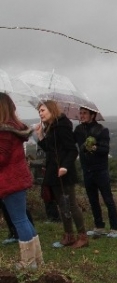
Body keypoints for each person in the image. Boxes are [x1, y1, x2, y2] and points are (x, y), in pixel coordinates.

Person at [35, 100, 88, 248]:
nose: (40, 113)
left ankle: (82, 236)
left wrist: (65, 166)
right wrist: (40, 136)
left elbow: (72, 150)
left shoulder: (62, 126)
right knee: (62, 204)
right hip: (54, 171)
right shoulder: (51, 128)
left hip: (64, 172)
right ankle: (69, 235)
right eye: (39, 111)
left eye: (43, 110)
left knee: (71, 204)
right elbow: (50, 149)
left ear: (52, 110)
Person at [0, 92, 43, 268]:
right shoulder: (14, 128)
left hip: (10, 181)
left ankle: (28, 262)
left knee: (19, 220)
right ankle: (36, 259)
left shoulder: (4, 131)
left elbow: (1, 158)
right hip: (17, 179)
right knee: (22, 219)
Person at [74, 106, 117, 238]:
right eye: (80, 113)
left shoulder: (101, 130)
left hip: (100, 170)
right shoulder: (78, 129)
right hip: (86, 169)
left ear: (92, 115)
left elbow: (105, 150)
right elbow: (71, 143)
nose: (81, 115)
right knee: (93, 200)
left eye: (84, 113)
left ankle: (114, 227)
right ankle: (99, 226)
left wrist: (94, 147)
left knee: (107, 199)